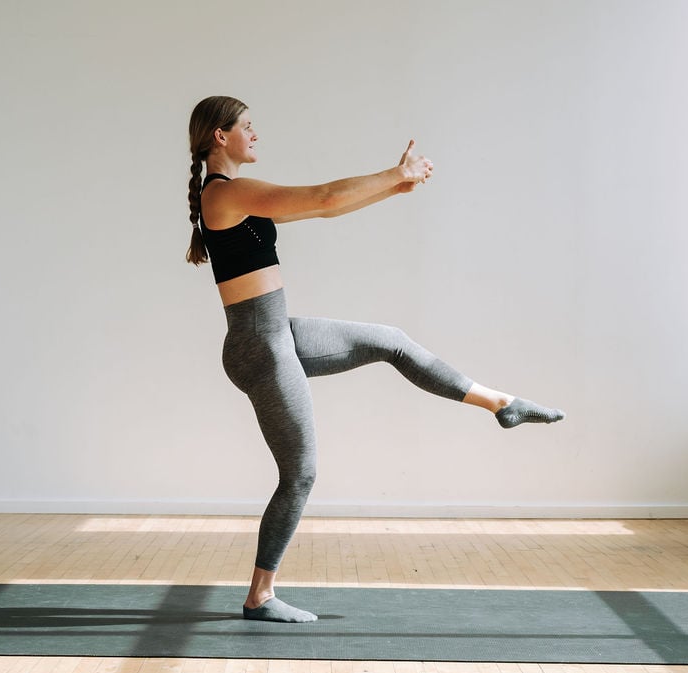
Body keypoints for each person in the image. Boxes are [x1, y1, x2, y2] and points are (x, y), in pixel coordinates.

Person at [186, 95, 564, 623]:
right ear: (220, 137)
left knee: (391, 340)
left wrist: (394, 187)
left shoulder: (236, 195)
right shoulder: (225, 193)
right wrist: (393, 172)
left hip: (277, 335)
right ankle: (260, 595)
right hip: (260, 345)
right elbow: (319, 197)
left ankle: (501, 402)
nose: (256, 134)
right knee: (300, 473)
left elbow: (329, 207)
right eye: (247, 126)